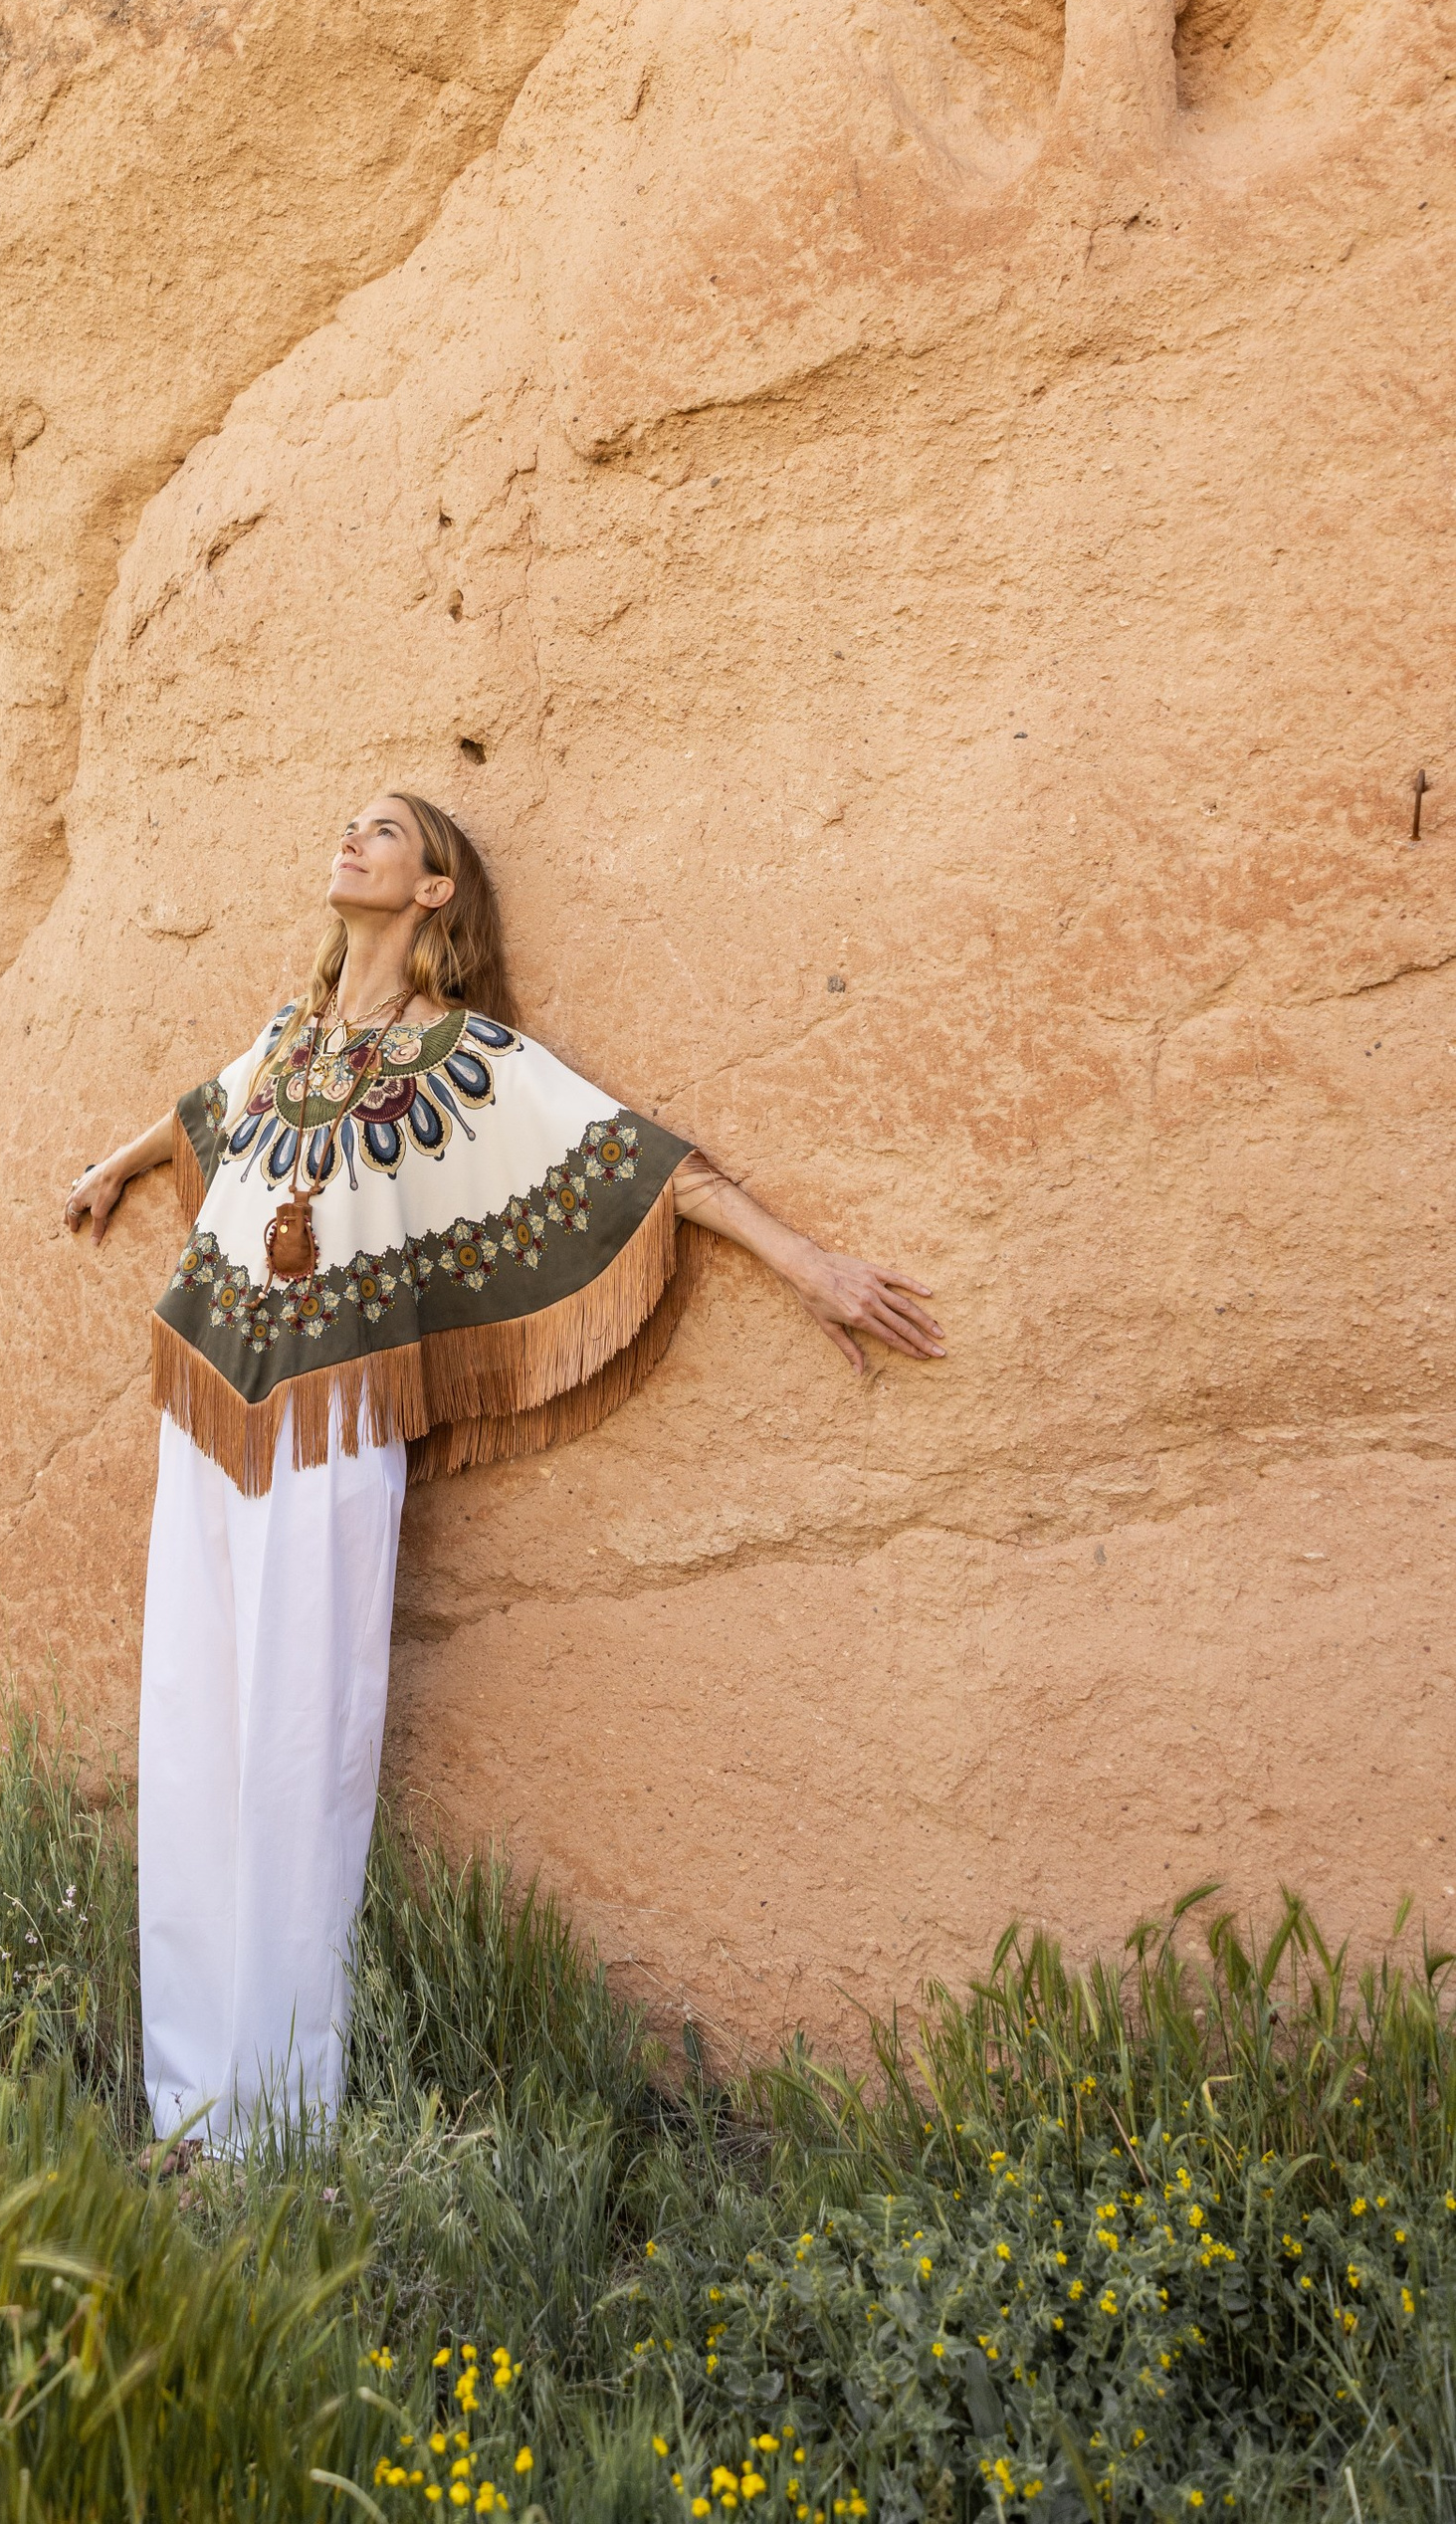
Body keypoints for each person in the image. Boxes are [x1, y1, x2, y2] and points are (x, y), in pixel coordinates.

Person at [63, 787, 944, 2156]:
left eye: (386, 832)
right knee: (188, 1734)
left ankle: (274, 2134)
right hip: (207, 1397)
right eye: (349, 822)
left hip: (334, 1427)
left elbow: (633, 1159)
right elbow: (209, 1109)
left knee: (301, 1754)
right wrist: (116, 1167)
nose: (351, 837)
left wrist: (808, 1262)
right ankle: (186, 2105)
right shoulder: (293, 1037)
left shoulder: (467, 1061)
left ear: (432, 894)